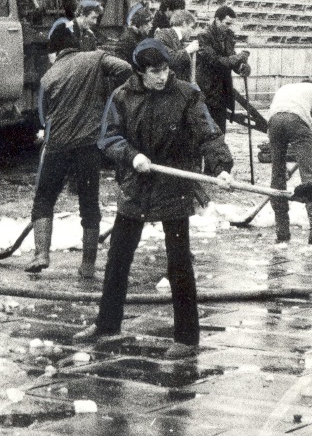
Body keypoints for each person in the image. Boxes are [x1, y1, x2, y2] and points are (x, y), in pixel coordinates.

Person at [74, 40, 233, 357]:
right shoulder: (122, 96)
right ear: (139, 72)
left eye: (165, 70)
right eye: (155, 72)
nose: (162, 77)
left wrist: (222, 166)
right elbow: (108, 137)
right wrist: (131, 156)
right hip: (137, 183)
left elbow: (208, 132)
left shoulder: (186, 94)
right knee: (118, 257)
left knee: (178, 262)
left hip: (174, 183)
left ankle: (187, 338)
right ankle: (108, 323)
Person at [28, 21, 134, 276]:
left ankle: (41, 253)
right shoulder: (96, 58)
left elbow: (43, 116)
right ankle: (88, 265)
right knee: (89, 204)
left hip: (57, 146)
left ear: (56, 51)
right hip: (88, 146)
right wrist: (105, 90)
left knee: (43, 199)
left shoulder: (48, 76)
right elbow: (126, 68)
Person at [264, 75, 312, 247]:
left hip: (274, 122)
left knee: (277, 176)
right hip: (297, 121)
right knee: (310, 177)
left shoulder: (285, 88)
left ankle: (282, 230)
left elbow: (278, 114)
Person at [196, 5, 250, 135]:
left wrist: (241, 67)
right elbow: (214, 61)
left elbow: (231, 58)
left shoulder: (229, 35)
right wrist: (237, 58)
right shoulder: (204, 36)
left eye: (231, 24)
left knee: (220, 131)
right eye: (226, 23)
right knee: (208, 132)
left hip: (222, 90)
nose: (228, 27)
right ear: (217, 20)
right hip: (206, 90)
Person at [112, 2, 153, 66]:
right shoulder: (128, 39)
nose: (151, 26)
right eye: (150, 23)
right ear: (142, 25)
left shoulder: (141, 35)